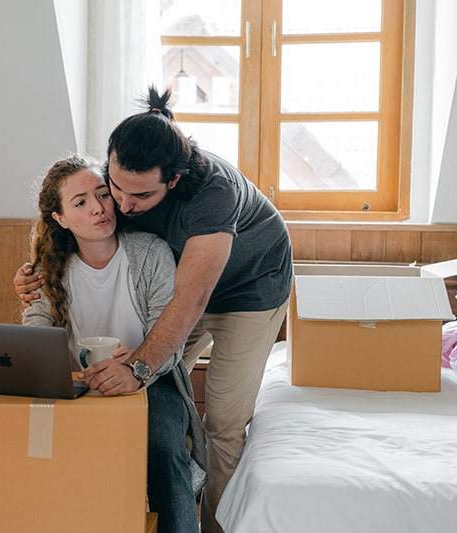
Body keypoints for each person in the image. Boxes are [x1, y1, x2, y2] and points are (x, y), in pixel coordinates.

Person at [15, 87, 293, 532]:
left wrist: (140, 367)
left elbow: (190, 301)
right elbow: (76, 206)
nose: (121, 206)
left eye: (139, 197)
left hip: (248, 289)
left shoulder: (212, 197)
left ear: (174, 181)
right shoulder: (120, 183)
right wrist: (35, 273)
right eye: (114, 187)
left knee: (220, 421)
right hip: (176, 283)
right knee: (157, 387)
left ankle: (210, 524)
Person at [20, 154, 206, 533]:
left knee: (165, 450)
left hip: (150, 382)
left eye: (102, 194)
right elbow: (35, 337)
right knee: (35, 445)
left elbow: (169, 336)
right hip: (73, 387)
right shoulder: (45, 272)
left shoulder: (150, 253)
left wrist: (136, 367)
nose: (99, 208)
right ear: (60, 219)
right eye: (80, 203)